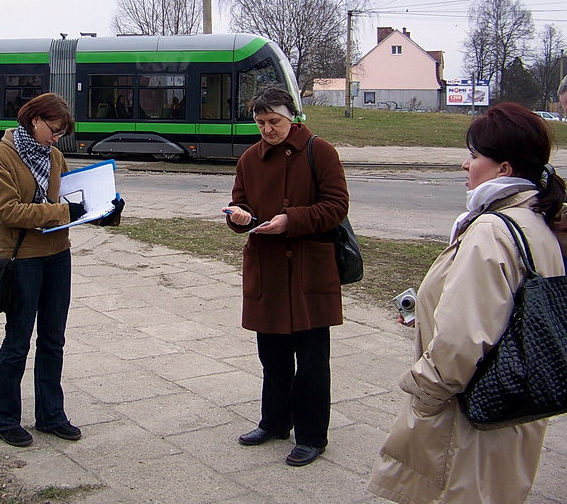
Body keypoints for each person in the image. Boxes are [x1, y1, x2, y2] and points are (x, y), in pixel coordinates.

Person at [367, 102, 565, 504]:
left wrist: (423, 393)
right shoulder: (537, 220)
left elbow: (462, 340)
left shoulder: (491, 230)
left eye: (474, 156)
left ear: (503, 169)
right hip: (513, 408)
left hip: (470, 416)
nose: (464, 165)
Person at [0, 92, 124, 448]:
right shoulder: (0, 157)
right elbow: (8, 211)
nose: (57, 138)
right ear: (34, 121)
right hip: (22, 258)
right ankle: (4, 419)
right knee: (18, 340)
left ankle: (50, 414)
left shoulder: (54, 156)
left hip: (58, 254)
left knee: (53, 338)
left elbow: (67, 201)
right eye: (54, 130)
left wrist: (105, 210)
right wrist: (64, 213)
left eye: (61, 133)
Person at [223, 85, 349, 467]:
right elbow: (239, 203)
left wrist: (291, 220)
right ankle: (274, 422)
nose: (267, 129)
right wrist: (238, 216)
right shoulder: (249, 159)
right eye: (260, 122)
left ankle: (312, 436)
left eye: (273, 121)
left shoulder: (320, 151)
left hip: (310, 268)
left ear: (292, 117)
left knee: (311, 360)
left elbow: (337, 206)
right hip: (268, 270)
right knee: (272, 355)